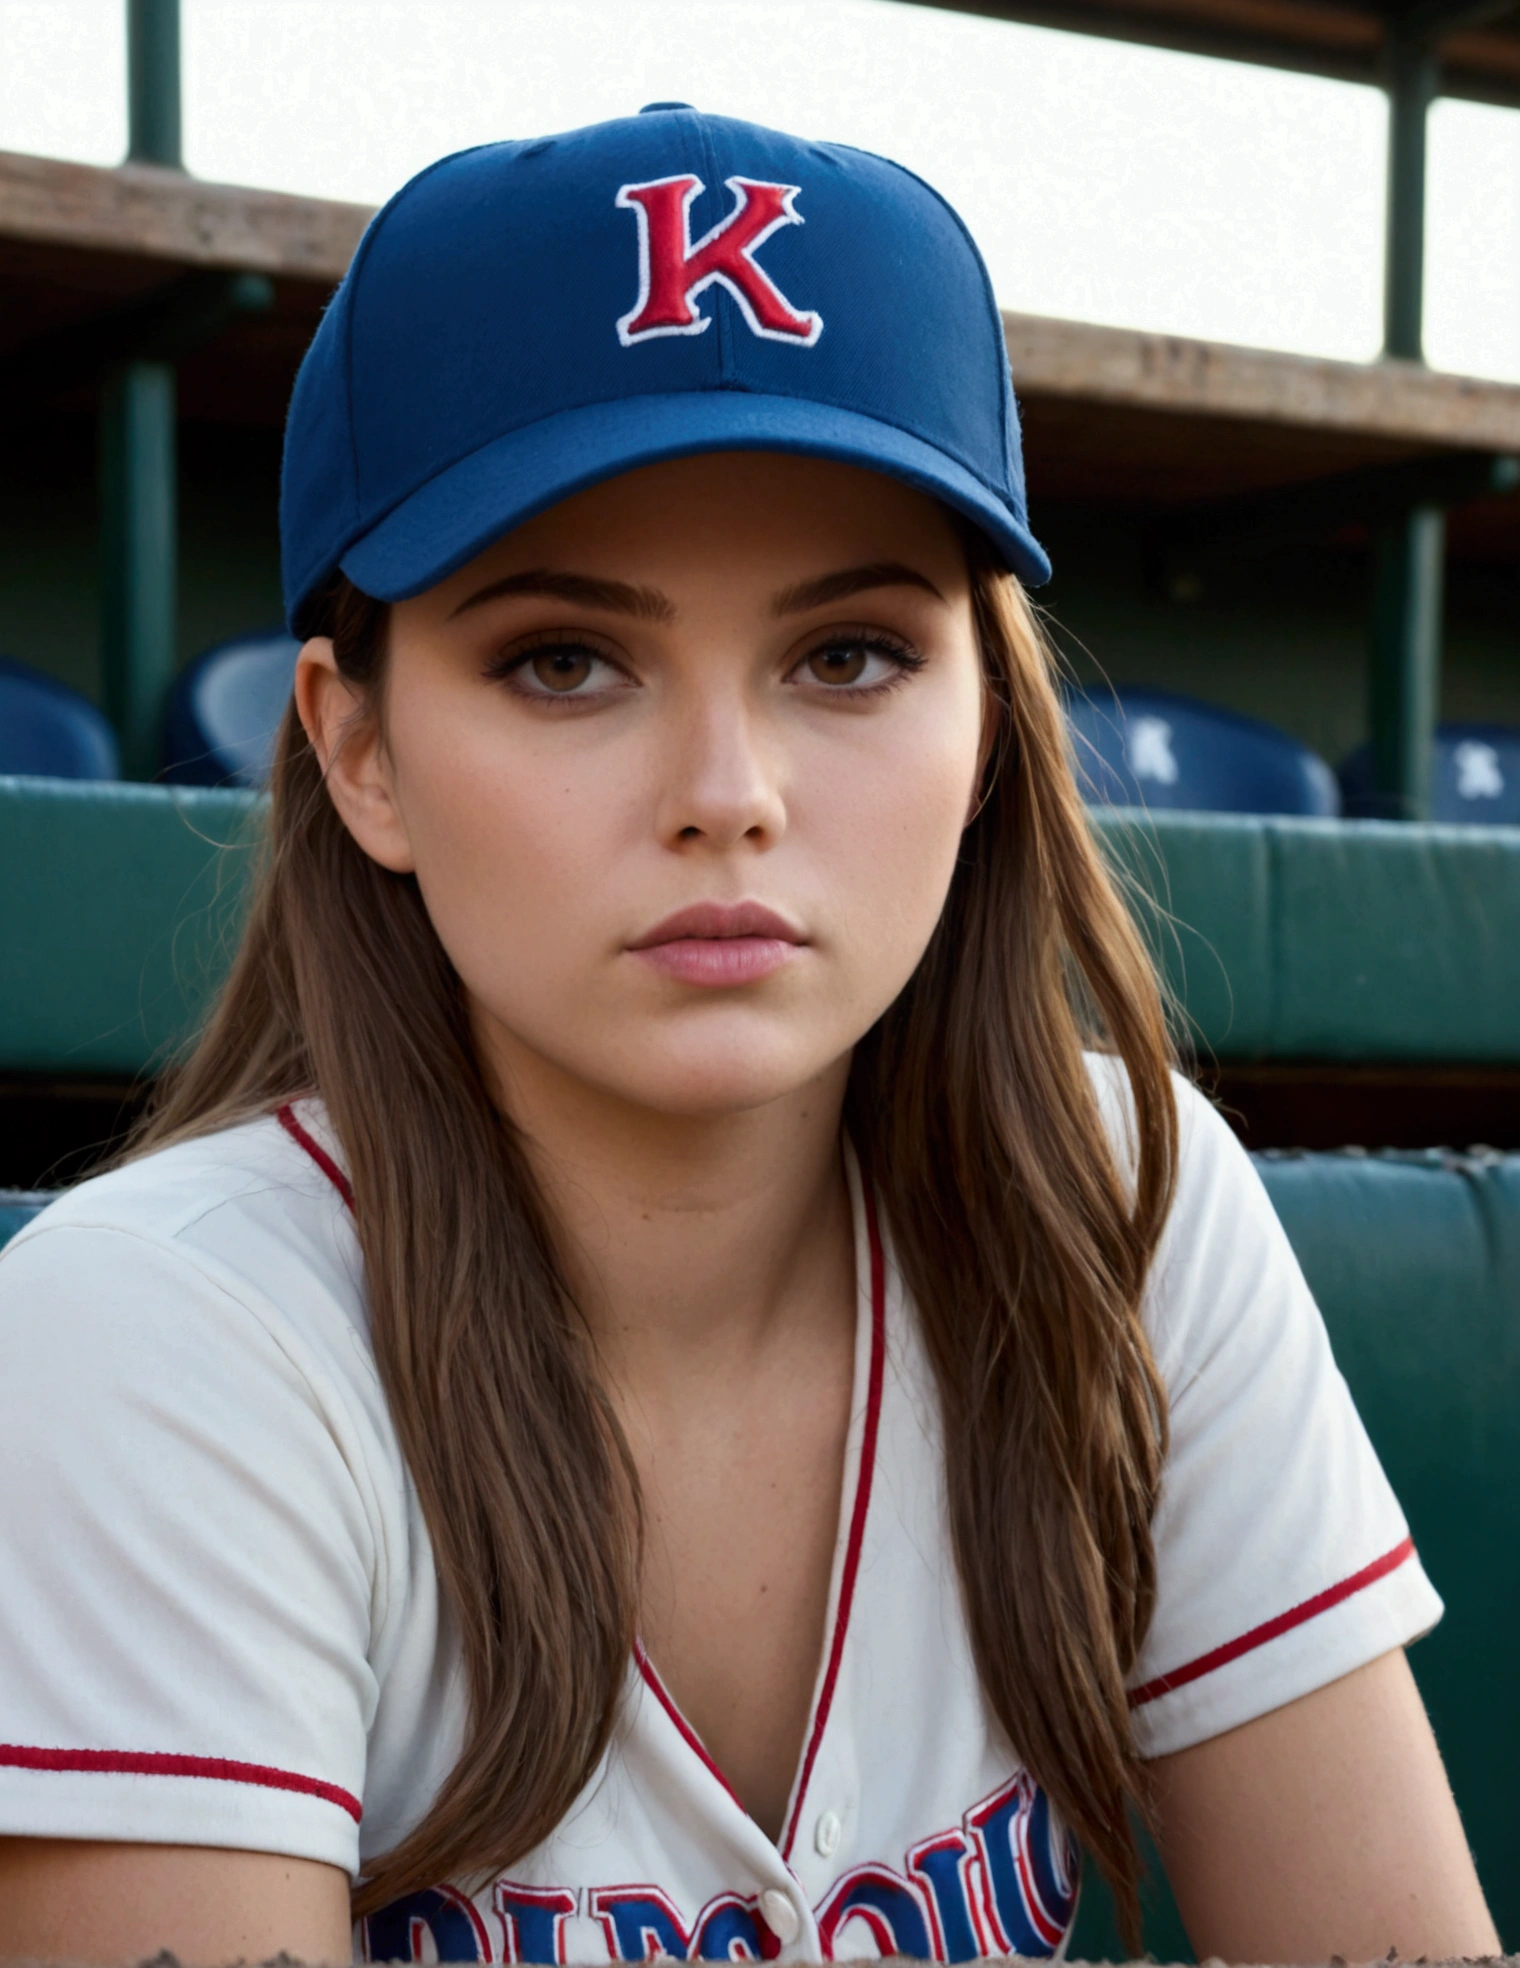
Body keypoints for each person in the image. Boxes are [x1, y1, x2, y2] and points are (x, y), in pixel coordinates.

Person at [0, 107, 1497, 1967]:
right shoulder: (155, 1332)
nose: (730, 794)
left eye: (848, 654)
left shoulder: (1127, 1204)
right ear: (360, 746)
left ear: (989, 735)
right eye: (566, 660)